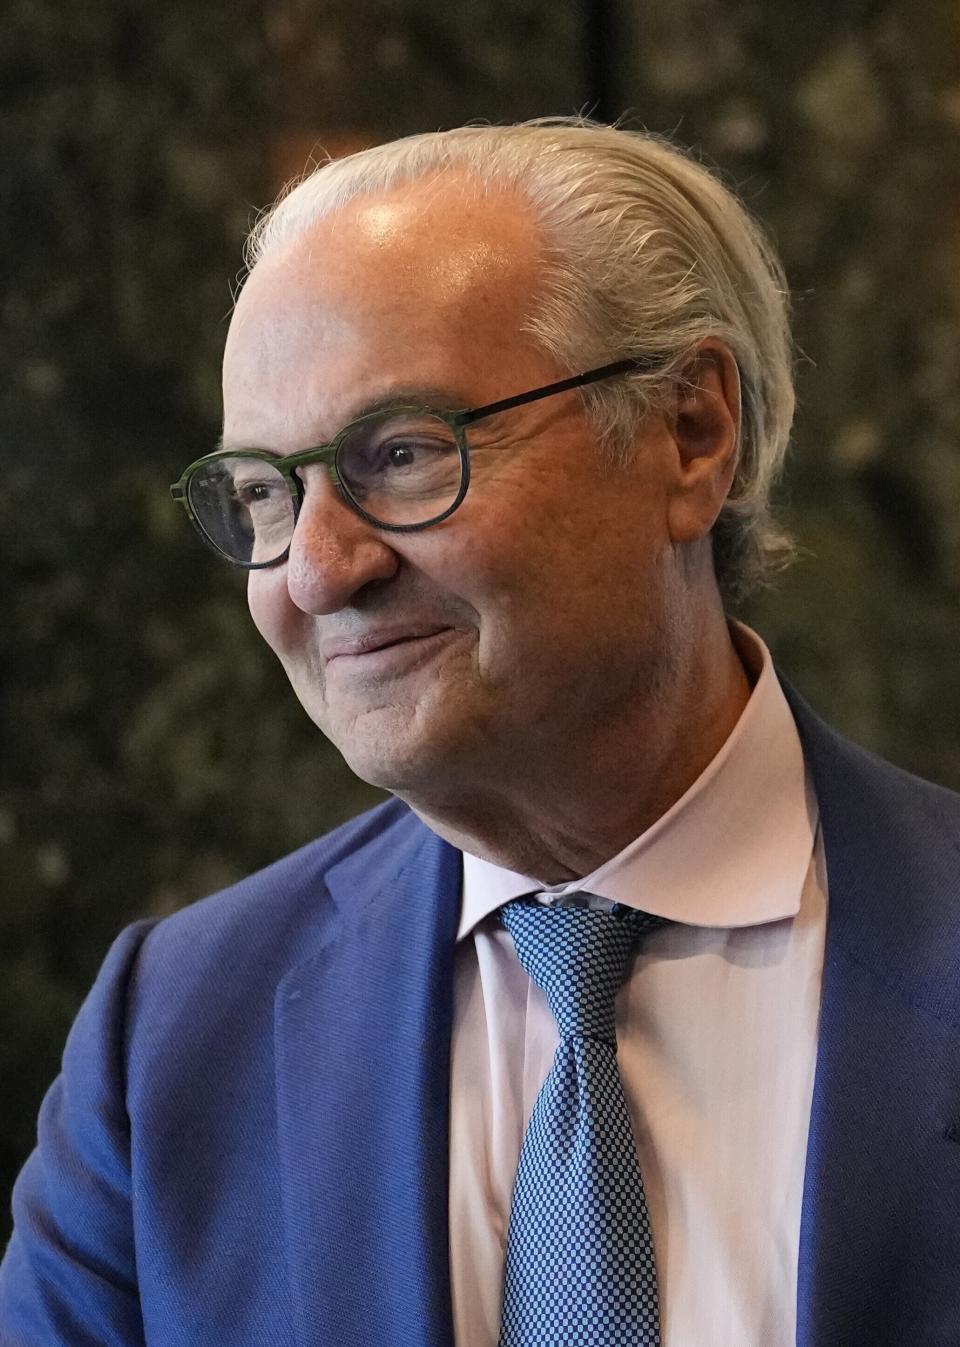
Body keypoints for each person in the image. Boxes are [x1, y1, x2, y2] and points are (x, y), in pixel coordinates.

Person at [2, 117, 958, 1347]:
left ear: (689, 434)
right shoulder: (174, 1040)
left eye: (400, 455)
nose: (319, 571)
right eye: (263, 495)